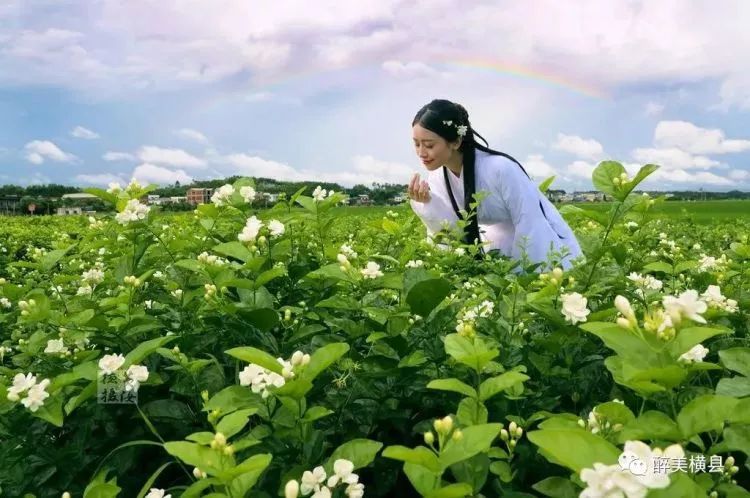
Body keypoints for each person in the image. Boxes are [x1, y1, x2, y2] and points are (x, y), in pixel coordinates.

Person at [408, 99, 583, 271]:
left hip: (536, 242)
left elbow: (530, 223)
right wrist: (428, 203)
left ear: (455, 142)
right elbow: (454, 231)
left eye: (429, 145)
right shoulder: (437, 177)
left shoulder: (501, 169)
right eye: (416, 144)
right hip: (493, 245)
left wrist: (525, 274)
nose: (421, 153)